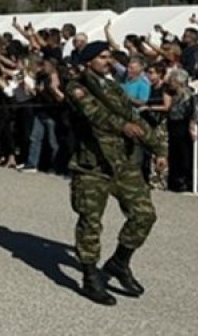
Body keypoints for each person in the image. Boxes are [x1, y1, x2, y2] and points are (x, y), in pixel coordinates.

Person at [65, 41, 168, 306]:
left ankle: (120, 262)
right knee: (90, 222)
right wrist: (123, 126)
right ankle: (90, 277)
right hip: (92, 167)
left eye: (109, 56)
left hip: (121, 162)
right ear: (88, 61)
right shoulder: (77, 87)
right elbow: (94, 114)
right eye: (102, 57)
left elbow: (134, 117)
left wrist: (159, 149)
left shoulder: (111, 86)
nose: (108, 61)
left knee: (144, 214)